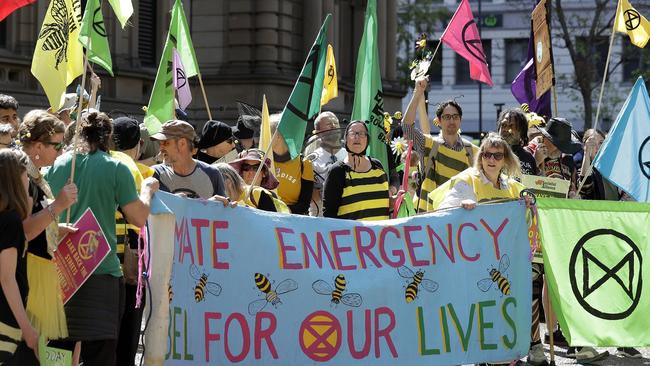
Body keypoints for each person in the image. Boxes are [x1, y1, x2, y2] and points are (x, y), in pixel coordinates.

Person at [46, 111, 159, 366]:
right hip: (103, 270)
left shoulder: (61, 163)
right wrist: (148, 190)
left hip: (62, 268)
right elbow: (138, 217)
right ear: (109, 137)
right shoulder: (116, 167)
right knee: (100, 353)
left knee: (57, 350)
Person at [18, 110, 79, 347]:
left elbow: (35, 221)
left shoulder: (35, 176)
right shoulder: (20, 173)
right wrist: (59, 205)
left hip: (39, 269)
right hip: (27, 272)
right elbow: (22, 231)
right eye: (57, 145)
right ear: (37, 146)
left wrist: (55, 228)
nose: (62, 151)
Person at [111, 116, 155, 366]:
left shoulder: (96, 164)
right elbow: (141, 217)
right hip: (130, 265)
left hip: (95, 260)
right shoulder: (144, 173)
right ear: (138, 144)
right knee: (127, 338)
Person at [402, 76, 478, 212]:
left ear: (460, 120)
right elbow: (407, 127)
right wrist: (418, 92)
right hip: (429, 219)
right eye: (447, 117)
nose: (451, 121)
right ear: (439, 121)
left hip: (460, 219)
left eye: (455, 117)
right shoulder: (428, 144)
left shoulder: (473, 151)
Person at [0, 149, 39, 364]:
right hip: (4, 320)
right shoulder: (11, 222)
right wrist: (27, 327)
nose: (28, 181)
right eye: (25, 175)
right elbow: (6, 278)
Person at [323, 120, 391, 221]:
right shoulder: (337, 172)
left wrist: (394, 201)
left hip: (380, 235)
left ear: (367, 139)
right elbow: (329, 215)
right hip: (351, 236)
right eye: (352, 133)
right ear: (345, 139)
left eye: (362, 133)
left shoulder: (377, 166)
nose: (357, 137)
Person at [151, 120, 229, 201]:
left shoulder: (212, 174)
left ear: (182, 143)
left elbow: (221, 211)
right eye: (160, 144)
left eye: (166, 143)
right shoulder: (155, 174)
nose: (161, 148)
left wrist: (218, 204)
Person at [269, 113, 315, 215]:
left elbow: (304, 204)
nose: (265, 137)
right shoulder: (263, 161)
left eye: (269, 133)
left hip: (293, 222)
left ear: (279, 136)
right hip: (267, 219)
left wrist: (283, 211)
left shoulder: (304, 163)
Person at [305, 111, 346, 216]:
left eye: (335, 122)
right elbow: (305, 194)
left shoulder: (351, 155)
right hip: (320, 222)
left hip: (347, 220)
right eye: (328, 124)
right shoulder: (309, 160)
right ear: (317, 131)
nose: (333, 125)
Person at [219, 152, 288, 213]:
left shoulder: (264, 194)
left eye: (256, 168)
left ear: (264, 173)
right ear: (241, 172)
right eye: (246, 167)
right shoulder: (226, 192)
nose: (251, 172)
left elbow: (273, 223)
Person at [531, 117, 581, 198]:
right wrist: (536, 161)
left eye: (563, 145)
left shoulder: (567, 158)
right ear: (544, 137)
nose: (559, 149)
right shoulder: (528, 152)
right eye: (556, 143)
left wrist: (572, 193)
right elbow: (520, 182)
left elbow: (573, 185)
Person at [497, 108, 539, 176]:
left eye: (511, 126)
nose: (506, 129)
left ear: (521, 131)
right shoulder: (491, 154)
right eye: (503, 125)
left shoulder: (528, 158)